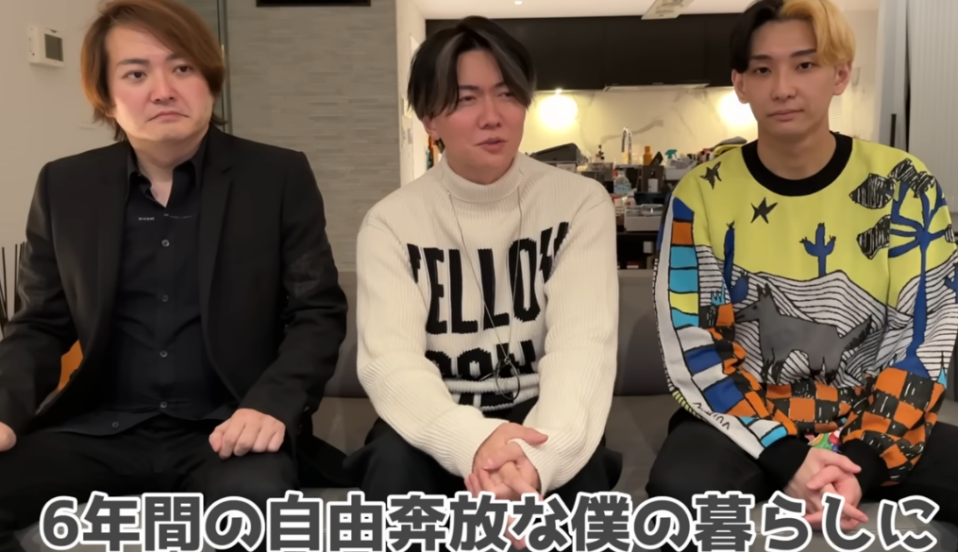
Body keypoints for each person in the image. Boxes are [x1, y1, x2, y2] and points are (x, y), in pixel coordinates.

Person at [646, 0, 958, 550]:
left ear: (840, 74)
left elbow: (924, 337)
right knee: (677, 499)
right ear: (740, 84)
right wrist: (786, 457)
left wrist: (862, 462)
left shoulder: (905, 184)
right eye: (762, 69)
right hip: (744, 430)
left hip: (872, 425)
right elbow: (693, 340)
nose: (783, 88)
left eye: (805, 65)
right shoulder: (699, 194)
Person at [0, 0, 348, 549]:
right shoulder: (64, 186)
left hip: (227, 427)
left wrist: (271, 403)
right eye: (136, 74)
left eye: (182, 67)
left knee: (255, 513)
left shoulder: (276, 176)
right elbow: (40, 323)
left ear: (209, 79)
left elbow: (317, 312)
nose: (163, 90)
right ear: (106, 96)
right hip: (102, 427)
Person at [345, 14, 622, 536]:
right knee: (393, 474)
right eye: (465, 99)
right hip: (435, 417)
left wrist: (534, 463)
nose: (492, 116)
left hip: (543, 416)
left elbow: (584, 347)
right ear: (429, 118)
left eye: (507, 94)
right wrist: (474, 443)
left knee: (580, 490)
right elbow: (390, 363)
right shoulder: (391, 223)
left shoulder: (579, 204)